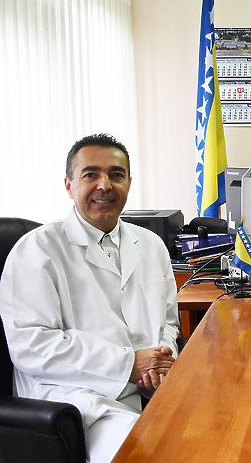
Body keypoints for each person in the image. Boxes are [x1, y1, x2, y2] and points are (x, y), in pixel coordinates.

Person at [0, 134, 180, 462]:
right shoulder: (36, 250)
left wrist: (159, 365)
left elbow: (168, 322)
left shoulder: (151, 244)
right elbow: (31, 346)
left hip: (150, 392)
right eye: (90, 174)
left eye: (116, 174)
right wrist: (128, 364)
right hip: (78, 403)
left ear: (128, 182)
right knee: (153, 454)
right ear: (68, 185)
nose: (104, 185)